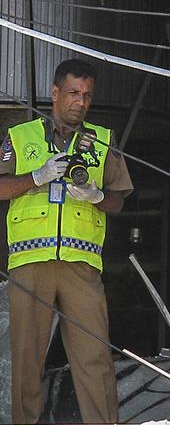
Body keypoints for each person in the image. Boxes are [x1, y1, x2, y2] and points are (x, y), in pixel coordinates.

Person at [0, 59, 133, 424]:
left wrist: (94, 195)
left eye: (87, 95)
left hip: (81, 263)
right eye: (74, 93)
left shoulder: (103, 140)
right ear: (56, 93)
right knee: (26, 360)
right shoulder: (21, 136)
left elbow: (118, 199)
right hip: (30, 263)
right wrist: (36, 177)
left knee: (94, 356)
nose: (81, 101)